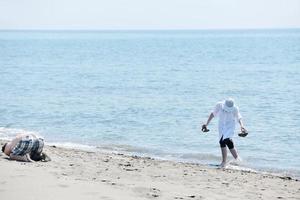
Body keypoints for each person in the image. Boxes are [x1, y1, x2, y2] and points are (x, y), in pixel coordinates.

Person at [202, 98, 247, 168]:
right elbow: (213, 114)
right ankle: (237, 159)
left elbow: (239, 118)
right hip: (221, 126)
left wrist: (242, 126)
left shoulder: (235, 108)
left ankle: (224, 162)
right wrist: (206, 123)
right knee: (226, 142)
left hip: (230, 126)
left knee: (224, 141)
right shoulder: (219, 105)